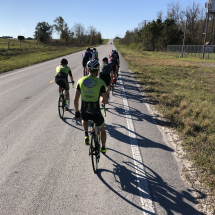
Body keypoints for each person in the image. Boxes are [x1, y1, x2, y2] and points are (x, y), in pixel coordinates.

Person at [74, 60, 108, 153]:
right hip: (96, 111)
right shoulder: (101, 82)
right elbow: (105, 101)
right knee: (102, 130)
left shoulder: (80, 81)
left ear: (87, 69)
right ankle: (103, 147)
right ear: (98, 70)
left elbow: (75, 99)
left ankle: (86, 135)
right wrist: (100, 98)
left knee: (84, 119)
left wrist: (77, 112)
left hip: (84, 110)